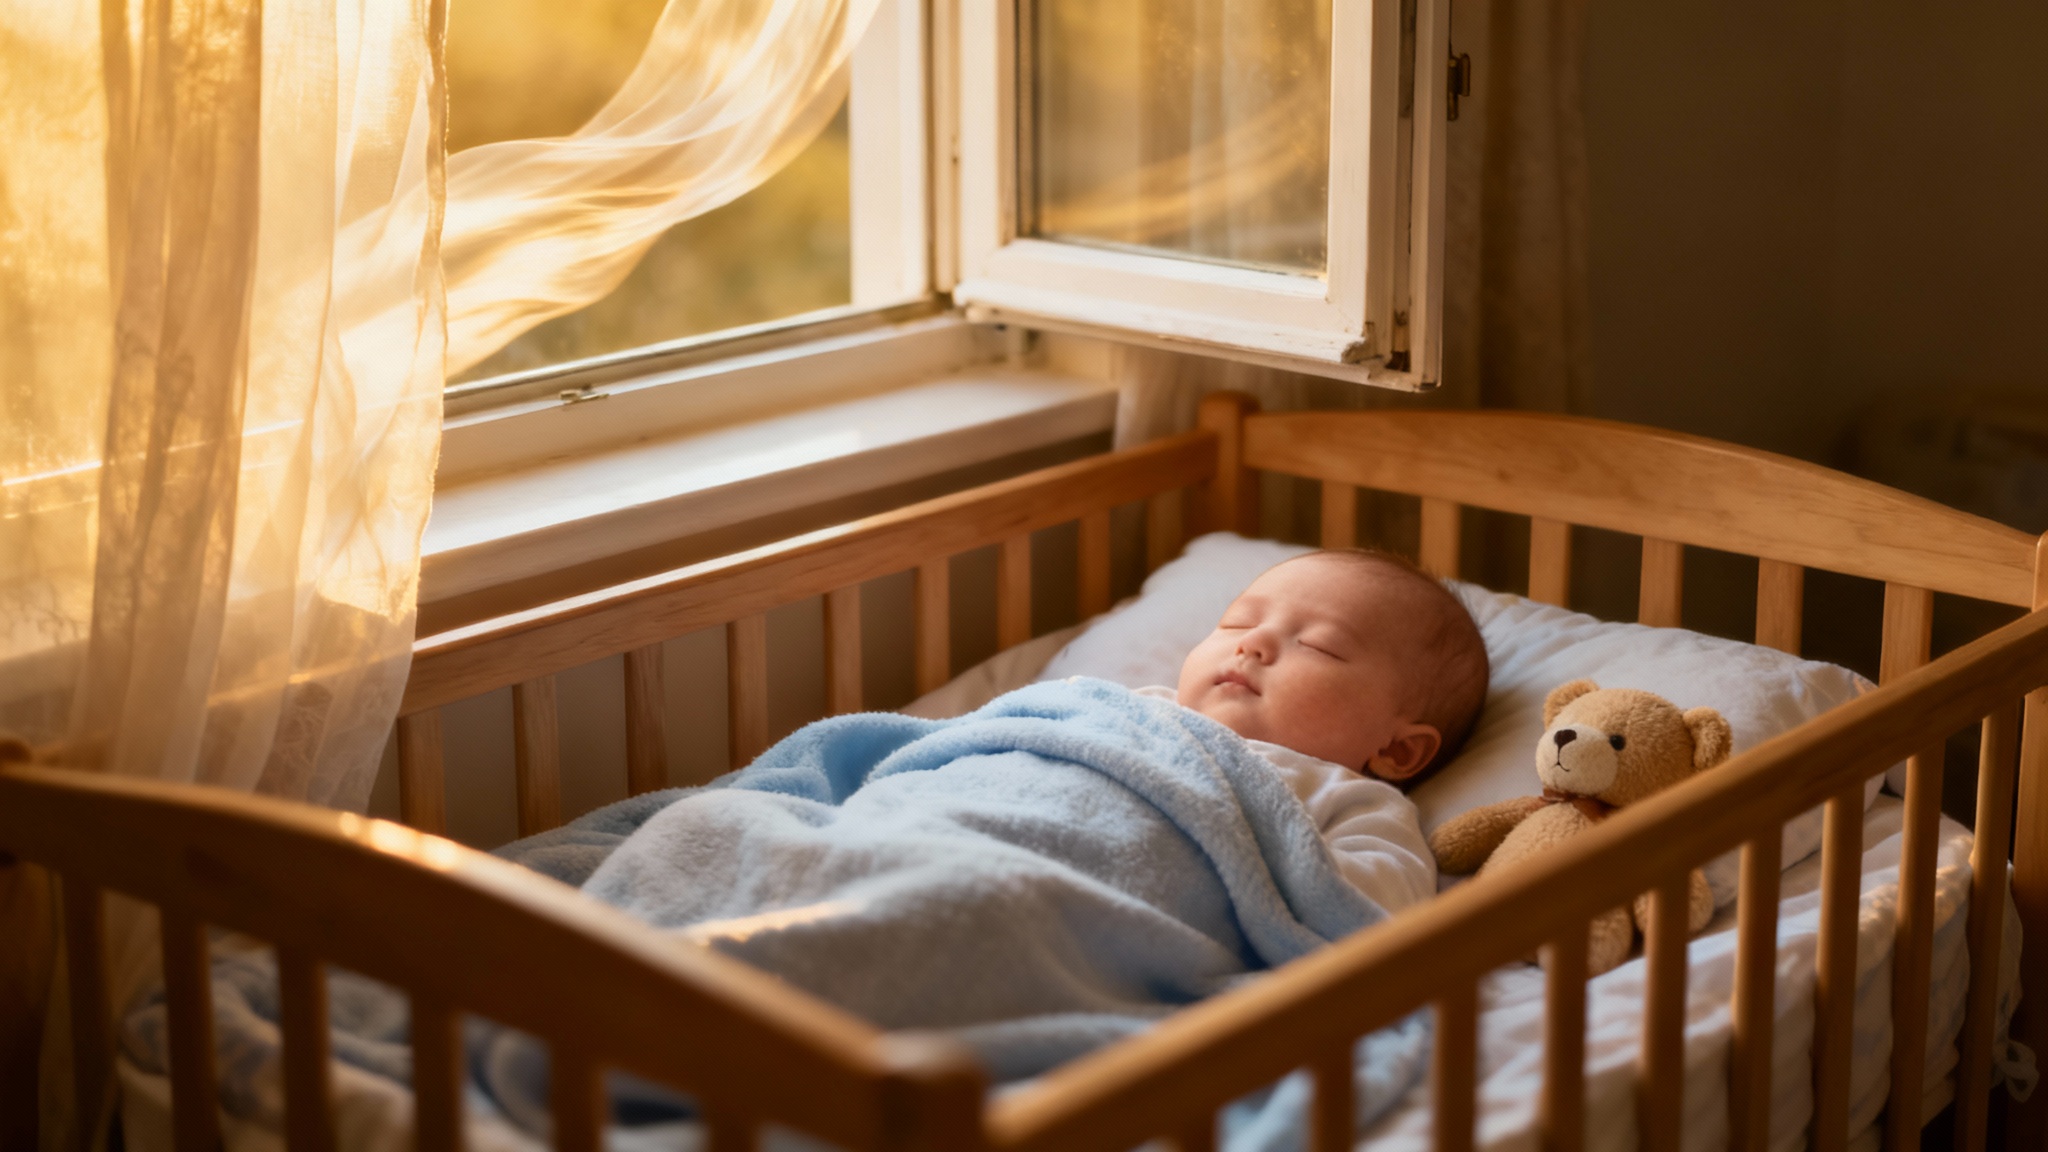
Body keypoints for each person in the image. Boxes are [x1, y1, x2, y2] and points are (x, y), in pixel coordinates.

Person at [1135, 549, 1490, 912]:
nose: (1252, 643)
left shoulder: (1353, 804)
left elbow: (1375, 909)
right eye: (1237, 623)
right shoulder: (1136, 707)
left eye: (1318, 646)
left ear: (1396, 751)